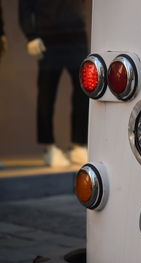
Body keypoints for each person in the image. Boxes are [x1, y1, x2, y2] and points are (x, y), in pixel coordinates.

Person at [18, 0, 89, 167]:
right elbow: (25, 6)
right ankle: (48, 145)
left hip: (76, 35)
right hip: (49, 37)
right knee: (47, 92)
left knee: (83, 90)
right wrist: (31, 35)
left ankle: (79, 144)